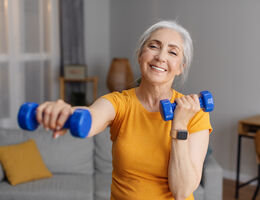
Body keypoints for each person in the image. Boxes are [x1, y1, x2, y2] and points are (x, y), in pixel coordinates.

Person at [36, 20, 212, 200]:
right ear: (140, 55)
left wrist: (180, 125)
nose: (160, 56)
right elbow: (92, 116)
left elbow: (182, 192)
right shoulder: (120, 103)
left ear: (181, 67)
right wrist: (66, 112)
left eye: (172, 52)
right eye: (153, 46)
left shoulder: (195, 113)